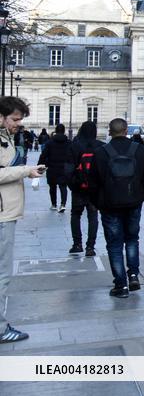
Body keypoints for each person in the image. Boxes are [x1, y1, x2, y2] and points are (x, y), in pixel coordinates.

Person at [88, 118, 144, 298]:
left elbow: (92, 182)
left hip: (109, 205)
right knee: (132, 239)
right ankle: (133, 275)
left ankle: (120, 285)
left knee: (114, 244)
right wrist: (141, 196)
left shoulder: (101, 152)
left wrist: (99, 202)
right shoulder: (139, 150)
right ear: (126, 130)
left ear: (110, 131)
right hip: (133, 203)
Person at [1, 97, 46, 342]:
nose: (18, 124)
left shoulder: (6, 137)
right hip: (2, 213)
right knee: (2, 274)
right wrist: (25, 170)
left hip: (5, 210)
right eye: (15, 119)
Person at [69, 121, 101, 257]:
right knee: (93, 216)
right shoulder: (100, 146)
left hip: (78, 188)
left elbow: (68, 168)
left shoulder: (74, 146)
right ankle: (90, 246)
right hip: (94, 189)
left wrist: (73, 184)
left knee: (76, 215)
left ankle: (77, 244)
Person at [38, 123, 73, 212]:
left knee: (52, 187)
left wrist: (39, 165)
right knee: (63, 187)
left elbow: (44, 155)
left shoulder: (50, 142)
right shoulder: (69, 142)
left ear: (56, 131)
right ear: (64, 131)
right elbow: (72, 155)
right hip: (64, 168)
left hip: (52, 168)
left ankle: (54, 204)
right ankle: (63, 204)